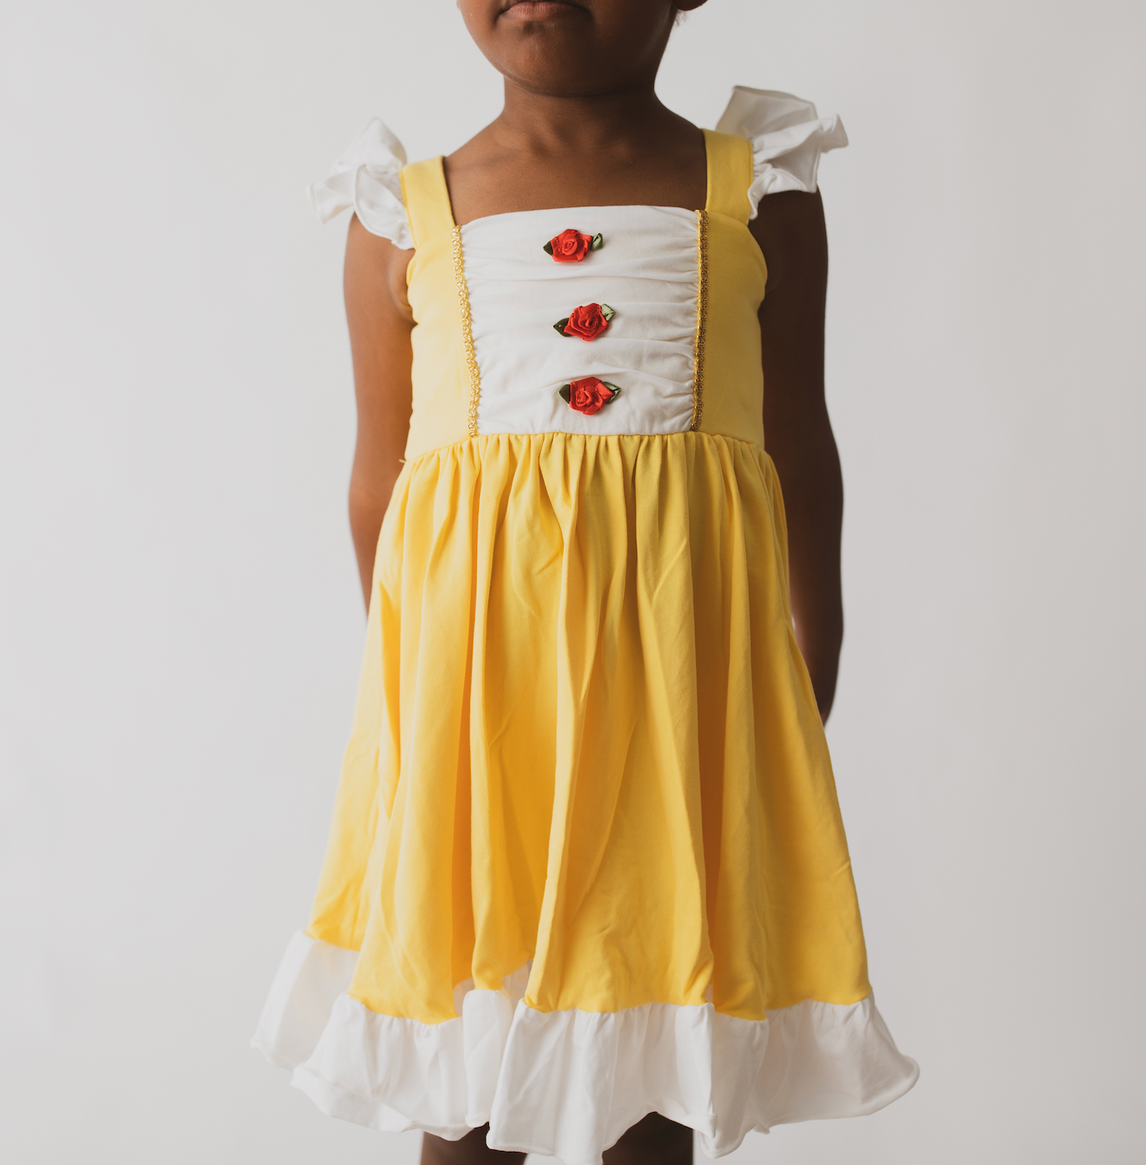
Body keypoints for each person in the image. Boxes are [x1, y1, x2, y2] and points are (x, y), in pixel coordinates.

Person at [253, 1, 918, 1161]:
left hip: (673, 698)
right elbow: (381, 475)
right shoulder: (401, 212)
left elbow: (796, 442)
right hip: (474, 711)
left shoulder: (758, 191)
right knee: (463, 1042)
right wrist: (404, 684)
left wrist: (820, 639)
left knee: (650, 1022)